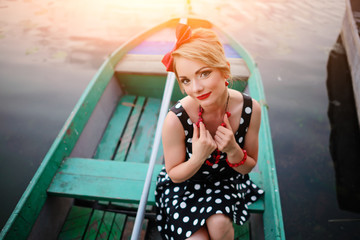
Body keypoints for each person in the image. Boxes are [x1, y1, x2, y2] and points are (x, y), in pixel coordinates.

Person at [155, 23, 264, 240]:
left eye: (204, 73)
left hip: (226, 180)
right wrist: (198, 158)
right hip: (185, 183)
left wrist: (233, 150)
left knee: (220, 225)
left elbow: (248, 167)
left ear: (223, 68)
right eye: (186, 80)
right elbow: (174, 175)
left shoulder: (250, 110)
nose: (195, 88)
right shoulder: (175, 120)